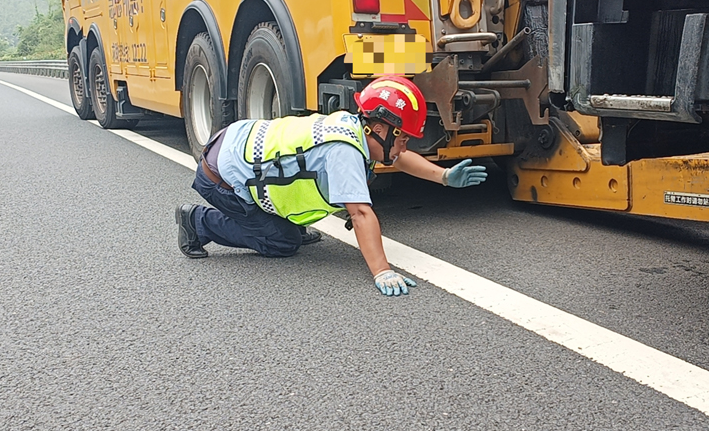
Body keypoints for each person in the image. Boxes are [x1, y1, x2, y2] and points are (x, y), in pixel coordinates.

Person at [176, 76, 488, 296]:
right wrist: (381, 270)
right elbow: (361, 214)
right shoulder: (344, 151)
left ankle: (276, 221)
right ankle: (197, 222)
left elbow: (398, 158)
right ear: (379, 129)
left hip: (232, 146)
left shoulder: (356, 129)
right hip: (222, 180)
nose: (405, 146)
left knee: (291, 225)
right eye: (403, 138)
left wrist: (444, 177)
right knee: (283, 243)